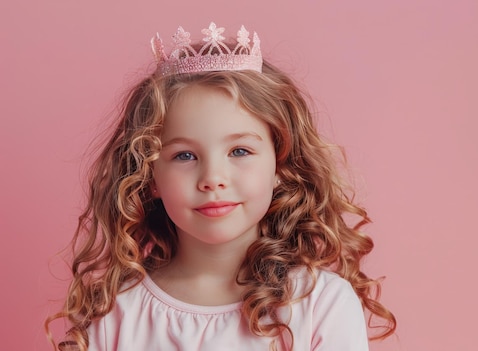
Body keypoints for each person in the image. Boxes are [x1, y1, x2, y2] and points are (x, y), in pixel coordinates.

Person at [46, 21, 396, 350]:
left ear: (281, 164)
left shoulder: (320, 304)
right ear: (149, 176)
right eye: (184, 156)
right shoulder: (117, 312)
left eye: (240, 151)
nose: (213, 178)